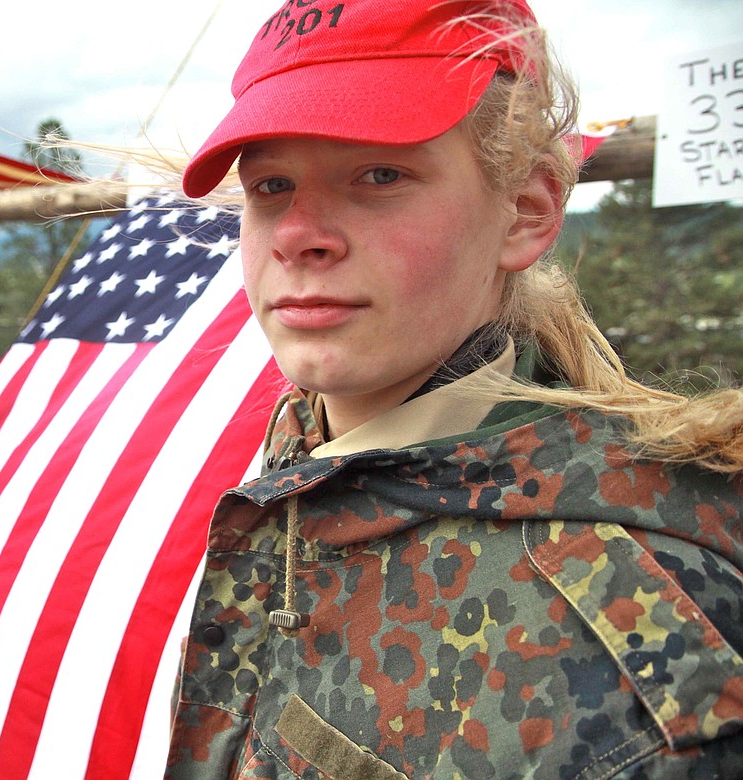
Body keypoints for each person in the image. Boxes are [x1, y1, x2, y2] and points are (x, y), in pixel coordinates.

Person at [165, 0, 743, 777]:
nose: (299, 234)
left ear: (526, 212)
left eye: (379, 174)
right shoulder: (313, 449)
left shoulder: (636, 663)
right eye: (270, 185)